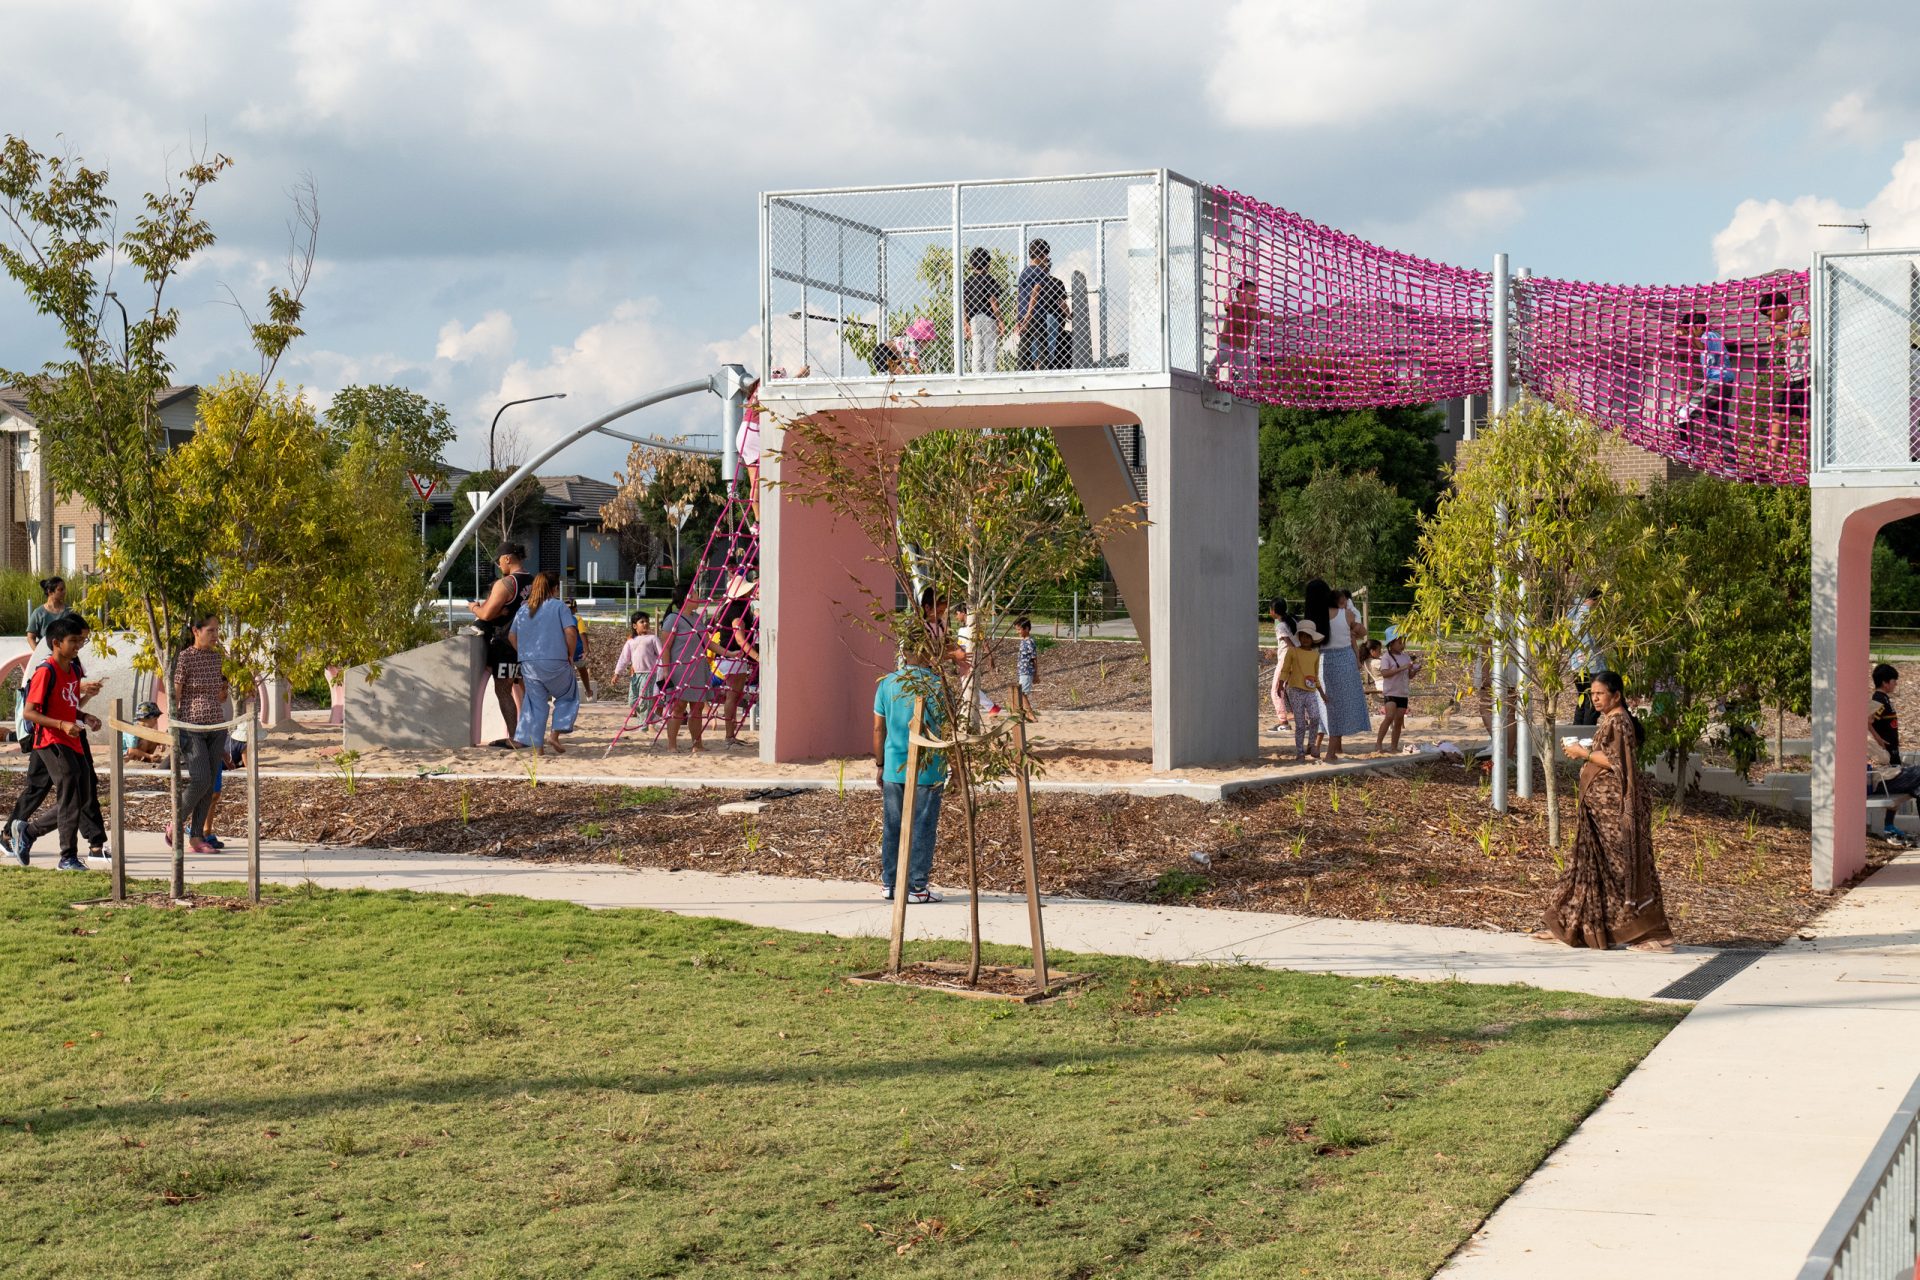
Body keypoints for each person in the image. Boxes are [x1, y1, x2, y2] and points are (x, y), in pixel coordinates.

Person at [1540, 671, 1672, 951]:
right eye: (1593, 694)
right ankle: (1567, 926)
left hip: (1614, 811)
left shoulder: (1619, 722)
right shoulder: (1610, 720)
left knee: (1624, 866)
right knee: (1587, 866)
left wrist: (1582, 753)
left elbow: (1616, 762)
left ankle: (1653, 933)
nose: (1595, 698)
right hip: (1599, 811)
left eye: (1600, 694)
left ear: (1616, 695)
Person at [7, 617, 107, 867]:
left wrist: (86, 716)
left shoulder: (73, 670)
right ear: (56, 643)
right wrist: (62, 725)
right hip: (51, 741)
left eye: (80, 641)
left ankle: (28, 833)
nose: (78, 646)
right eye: (73, 641)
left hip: (71, 740)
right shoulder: (45, 671)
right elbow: (29, 712)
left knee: (82, 797)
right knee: (69, 795)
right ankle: (68, 857)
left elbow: (69, 707)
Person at [873, 650, 947, 904]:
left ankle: (890, 883)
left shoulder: (888, 682)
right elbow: (949, 729)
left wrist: (880, 763)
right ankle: (916, 885)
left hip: (895, 765)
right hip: (930, 767)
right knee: (923, 826)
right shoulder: (937, 685)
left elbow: (878, 727)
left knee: (893, 825)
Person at [168, 614, 232, 855]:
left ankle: (197, 836)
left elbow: (218, 694)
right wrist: (173, 727)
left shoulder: (217, 658)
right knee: (201, 779)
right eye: (211, 630)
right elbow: (176, 693)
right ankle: (175, 823)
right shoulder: (184, 658)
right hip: (191, 728)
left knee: (210, 785)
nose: (215, 635)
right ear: (196, 630)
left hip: (216, 726)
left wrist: (223, 693)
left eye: (217, 630)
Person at [507, 569, 580, 755]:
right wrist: (570, 654)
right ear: (555, 588)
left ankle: (537, 748)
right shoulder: (559, 607)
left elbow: (512, 636)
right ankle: (554, 735)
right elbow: (571, 632)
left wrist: (524, 653)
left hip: (529, 663)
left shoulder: (524, 609)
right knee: (568, 695)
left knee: (534, 704)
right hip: (556, 660)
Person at [468, 543, 533, 744]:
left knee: (503, 689)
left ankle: (515, 737)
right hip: (530, 645)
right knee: (528, 690)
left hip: (506, 644)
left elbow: (487, 614)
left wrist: (474, 608)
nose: (498, 565)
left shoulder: (506, 584)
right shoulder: (535, 581)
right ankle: (530, 734)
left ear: (507, 558)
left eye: (499, 561)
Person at [1305, 581, 1370, 762]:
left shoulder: (1314, 618)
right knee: (1340, 707)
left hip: (1323, 662)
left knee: (1326, 705)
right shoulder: (1346, 614)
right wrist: (1354, 630)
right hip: (1345, 661)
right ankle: (1331, 753)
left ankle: (1318, 747)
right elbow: (1363, 632)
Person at [658, 582, 710, 753]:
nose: (698, 597)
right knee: (678, 706)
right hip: (680, 669)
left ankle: (697, 744)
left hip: (698, 667)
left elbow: (707, 642)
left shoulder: (697, 618)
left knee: (698, 707)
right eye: (695, 594)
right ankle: (672, 745)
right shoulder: (673, 619)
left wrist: (729, 653)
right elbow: (666, 646)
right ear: (687, 598)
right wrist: (666, 671)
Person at [713, 571, 758, 748]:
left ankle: (730, 734)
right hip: (731, 655)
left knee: (735, 695)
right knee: (732, 695)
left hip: (732, 656)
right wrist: (756, 656)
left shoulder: (734, 608)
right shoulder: (736, 611)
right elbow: (740, 639)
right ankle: (729, 735)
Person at [1015, 238, 1069, 371]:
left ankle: (1022, 371)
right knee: (1043, 346)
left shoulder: (1024, 272)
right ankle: (1042, 371)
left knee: (1025, 345)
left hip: (1023, 314)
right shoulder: (1042, 274)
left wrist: (1019, 317)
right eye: (1046, 255)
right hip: (1036, 315)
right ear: (1042, 255)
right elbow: (1035, 294)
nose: (1047, 258)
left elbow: (1020, 295)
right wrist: (1029, 315)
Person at [1278, 619, 1326, 761]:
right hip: (1295, 690)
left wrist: (1322, 694)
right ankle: (1299, 751)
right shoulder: (1292, 651)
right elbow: (1285, 669)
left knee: (1315, 717)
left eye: (1308, 636)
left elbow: (1316, 676)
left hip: (1310, 691)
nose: (1305, 639)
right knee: (1300, 723)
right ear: (1299, 637)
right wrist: (1281, 683)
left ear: (1313, 639)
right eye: (1303, 636)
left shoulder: (1315, 654)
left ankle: (1311, 745)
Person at [1373, 625, 1422, 754]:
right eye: (1400, 642)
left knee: (1399, 719)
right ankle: (1378, 744)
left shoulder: (1405, 657)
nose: (1402, 645)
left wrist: (1414, 670)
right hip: (1391, 692)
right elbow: (1384, 673)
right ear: (1391, 643)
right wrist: (1402, 668)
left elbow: (1409, 676)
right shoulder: (1386, 657)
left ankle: (1393, 746)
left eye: (1403, 642)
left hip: (1402, 692)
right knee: (1389, 716)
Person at [962, 247, 1004, 374]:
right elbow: (993, 301)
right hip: (988, 317)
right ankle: (991, 375)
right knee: (990, 348)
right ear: (989, 264)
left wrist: (965, 322)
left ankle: (976, 375)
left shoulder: (967, 282)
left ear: (971, 265)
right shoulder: (989, 279)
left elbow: (964, 304)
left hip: (973, 318)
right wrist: (1000, 320)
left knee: (977, 349)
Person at [1569, 588, 1607, 728]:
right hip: (1592, 665)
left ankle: (1575, 734)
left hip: (1576, 665)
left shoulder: (1572, 612)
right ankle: (1585, 738)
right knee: (1592, 705)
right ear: (1597, 600)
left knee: (1582, 701)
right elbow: (1598, 638)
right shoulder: (1592, 614)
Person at [612, 610, 662, 713]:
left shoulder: (653, 639)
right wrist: (617, 673)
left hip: (649, 674)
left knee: (644, 700)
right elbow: (624, 658)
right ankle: (648, 716)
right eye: (642, 622)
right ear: (635, 626)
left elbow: (661, 655)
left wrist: (663, 672)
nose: (646, 623)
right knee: (632, 701)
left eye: (647, 621)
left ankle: (646, 724)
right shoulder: (631, 642)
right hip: (635, 676)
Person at [737, 377, 764, 524]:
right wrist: (798, 376)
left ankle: (757, 519)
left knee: (755, 481)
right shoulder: (764, 386)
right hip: (752, 434)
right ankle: (758, 519)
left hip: (746, 433)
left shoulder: (757, 389)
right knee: (757, 481)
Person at [1268, 597, 1297, 732]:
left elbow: (1290, 645)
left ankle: (1283, 722)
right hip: (1294, 661)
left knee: (1276, 691)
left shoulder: (1281, 625)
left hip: (1286, 662)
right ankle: (1304, 719)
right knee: (1293, 691)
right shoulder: (1293, 620)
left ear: (1273, 611)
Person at [1871, 662, 1901, 766]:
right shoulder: (1878, 700)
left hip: (1892, 747)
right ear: (1885, 683)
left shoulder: (1884, 698)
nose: (1896, 684)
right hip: (1887, 749)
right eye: (1894, 681)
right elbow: (1867, 722)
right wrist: (1879, 740)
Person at [26, 576, 69, 647]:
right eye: (60, 590)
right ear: (50, 592)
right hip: (46, 653)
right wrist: (38, 653)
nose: (64, 592)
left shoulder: (69, 611)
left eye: (64, 589)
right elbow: (30, 637)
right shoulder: (39, 613)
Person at [566, 597, 593, 698]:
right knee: (582, 670)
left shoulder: (560, 619)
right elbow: (582, 634)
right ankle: (588, 691)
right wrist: (586, 649)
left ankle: (568, 694)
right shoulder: (577, 619)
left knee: (567, 673)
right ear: (574, 609)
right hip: (577, 651)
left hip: (565, 652)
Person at [1014, 616, 1038, 721]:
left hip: (1027, 671)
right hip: (1022, 671)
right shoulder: (1023, 641)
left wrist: (1036, 674)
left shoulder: (1029, 642)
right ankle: (1023, 714)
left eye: (1019, 629)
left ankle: (1031, 714)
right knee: (1020, 692)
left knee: (1022, 693)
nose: (1018, 632)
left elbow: (1034, 658)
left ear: (1027, 629)